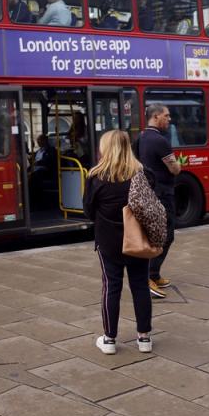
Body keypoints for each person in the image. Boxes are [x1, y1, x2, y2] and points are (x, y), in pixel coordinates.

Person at [83, 130, 154, 356]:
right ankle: (144, 338)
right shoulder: (143, 174)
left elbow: (88, 212)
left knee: (111, 288)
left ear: (106, 148)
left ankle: (110, 339)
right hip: (138, 241)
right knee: (140, 286)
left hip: (109, 242)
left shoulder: (96, 178)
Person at [138, 104, 180, 299]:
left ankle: (153, 274)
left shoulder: (141, 137)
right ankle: (148, 276)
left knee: (153, 233)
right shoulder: (160, 141)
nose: (169, 119)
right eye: (166, 115)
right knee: (166, 234)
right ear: (156, 117)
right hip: (163, 194)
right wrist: (178, 164)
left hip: (148, 193)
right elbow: (175, 169)